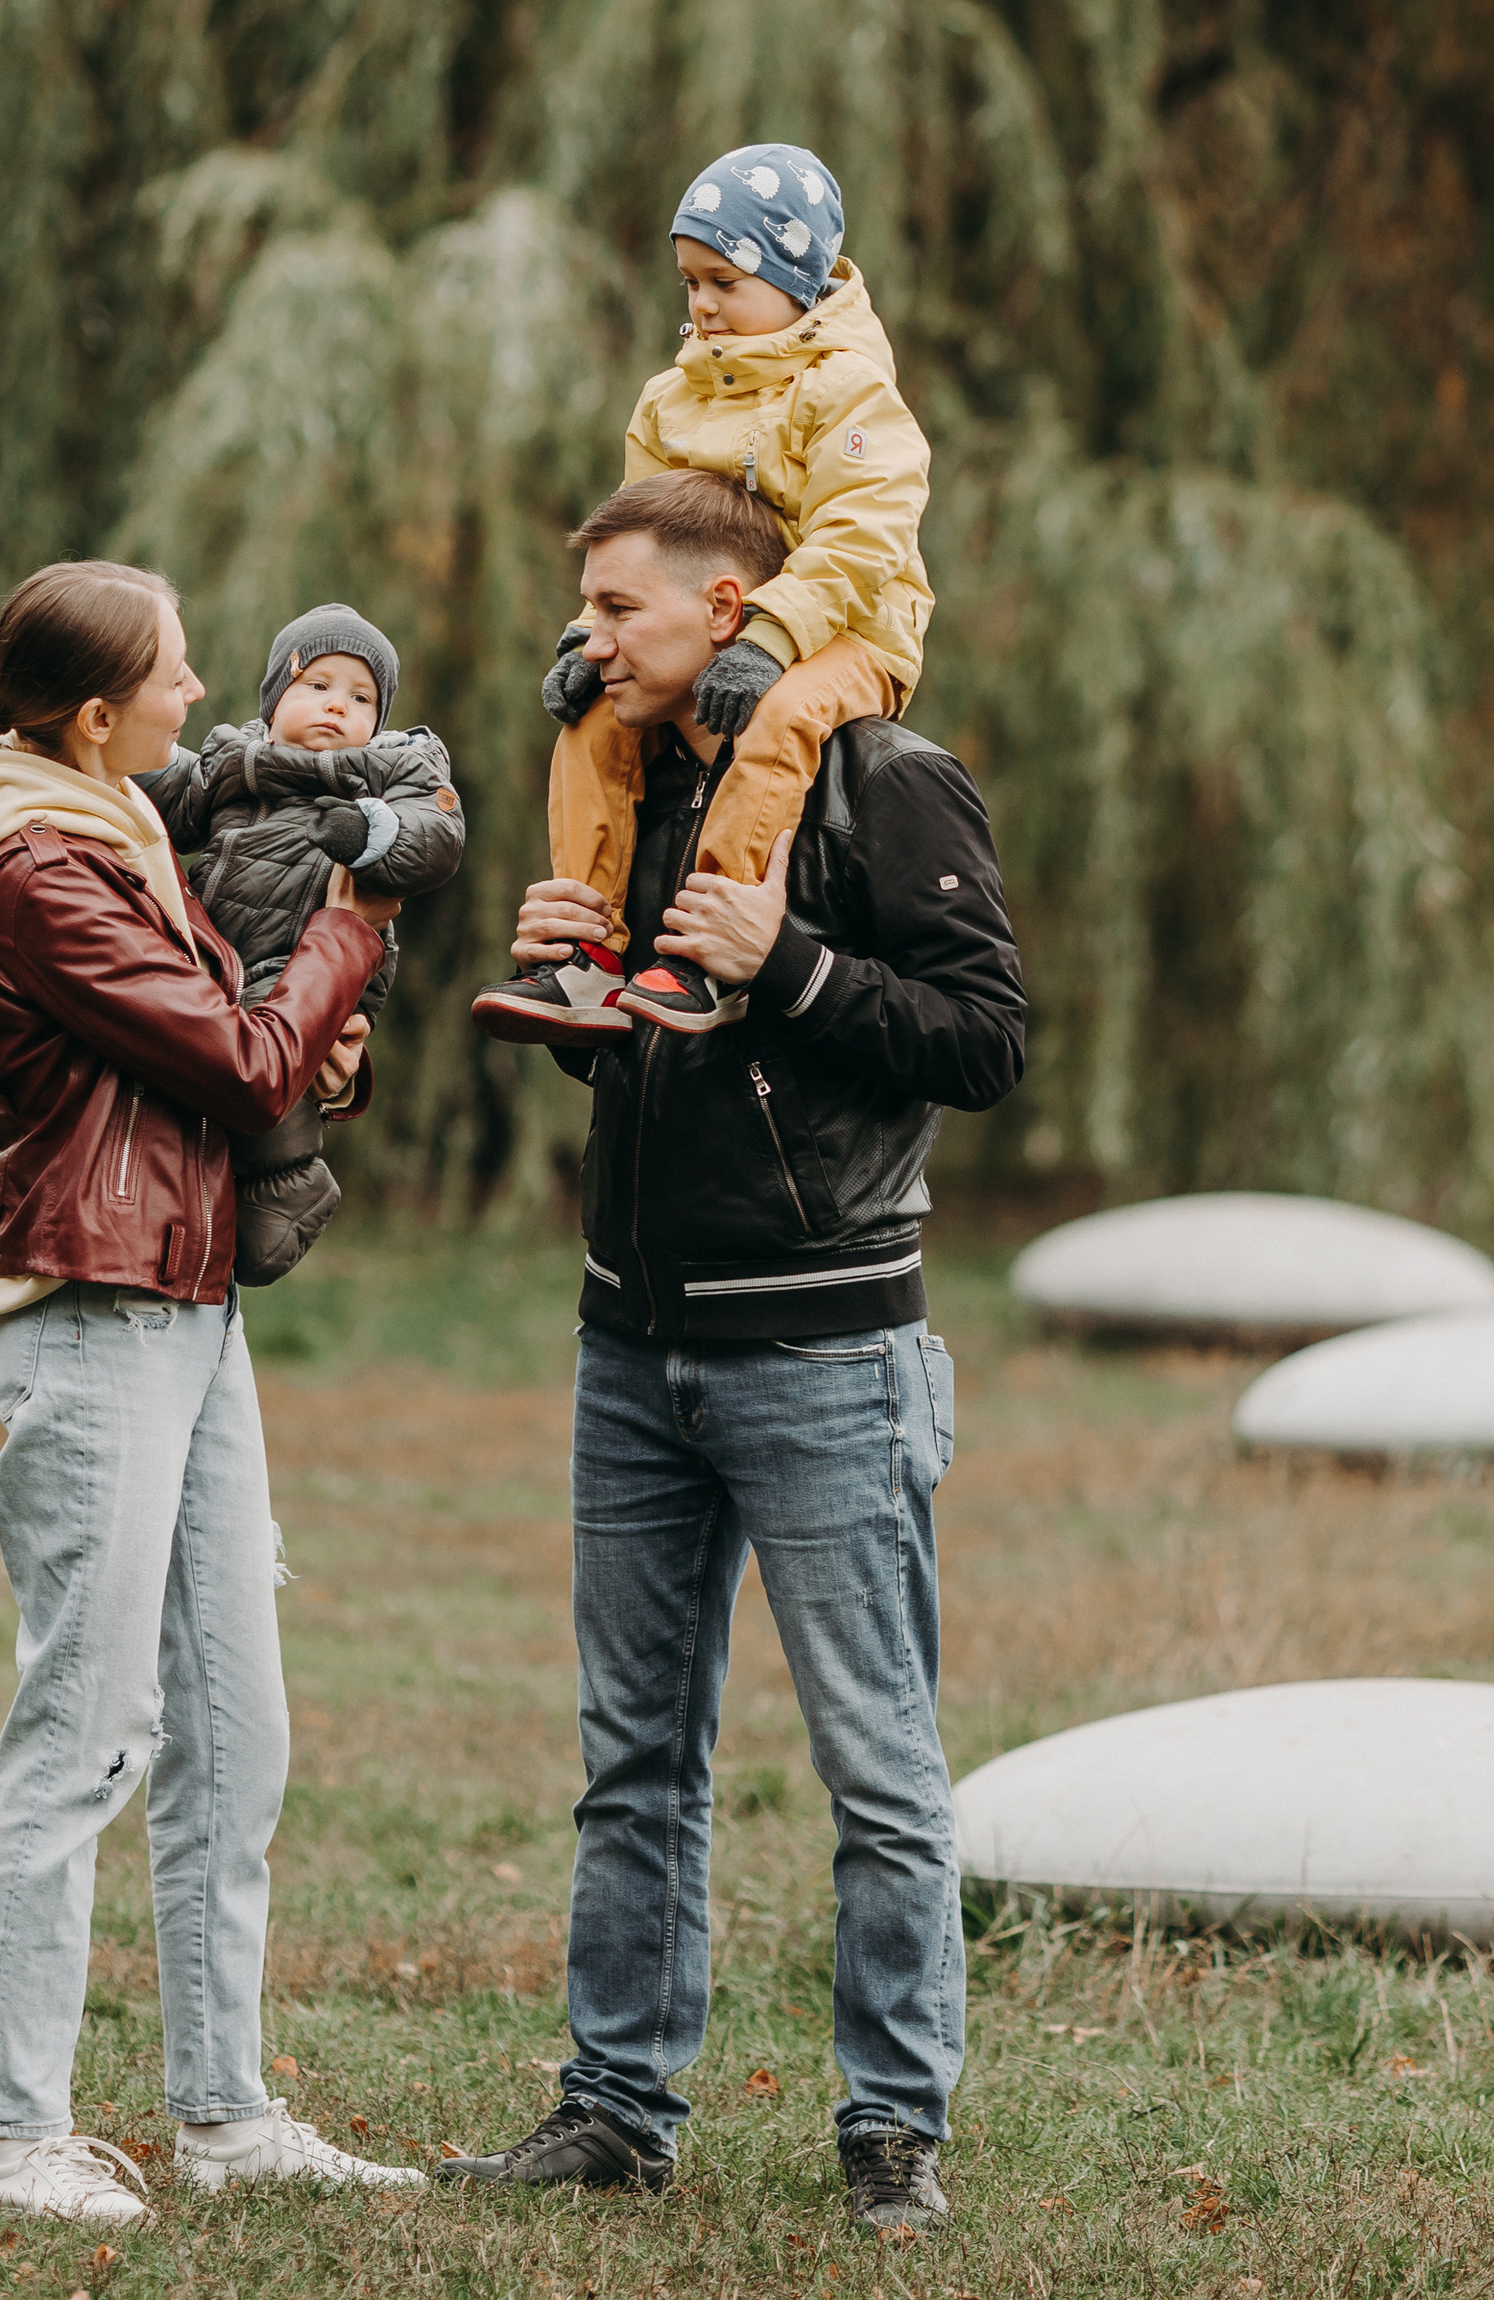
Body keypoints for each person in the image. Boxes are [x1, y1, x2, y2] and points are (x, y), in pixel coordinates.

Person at [438, 474, 1026, 2237]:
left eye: (619, 608)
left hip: (826, 1356)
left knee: (879, 1765)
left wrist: (790, 966)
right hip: (633, 1345)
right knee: (633, 1756)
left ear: (728, 600)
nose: (589, 639)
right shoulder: (637, 781)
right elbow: (662, 1058)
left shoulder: (885, 778)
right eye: (589, 609)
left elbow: (984, 1040)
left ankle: (893, 2135)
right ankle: (616, 2109)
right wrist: (577, 987)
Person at [0, 558, 428, 2230]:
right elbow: (238, 1056)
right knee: (87, 1727)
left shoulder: (113, 827)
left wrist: (320, 1018)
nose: (208, 696)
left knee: (233, 1728)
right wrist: (359, 920)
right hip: (98, 1312)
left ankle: (225, 2112)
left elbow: (250, 1045)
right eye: (179, 674)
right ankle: (22, 2133)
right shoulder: (38, 866)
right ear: (93, 710)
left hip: (192, 1305)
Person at [470, 142, 933, 1040]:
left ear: (797, 278)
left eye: (725, 280)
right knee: (594, 722)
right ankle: (589, 955)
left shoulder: (848, 391)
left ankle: (703, 948)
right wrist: (590, 638)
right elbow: (636, 545)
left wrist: (769, 639)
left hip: (846, 632)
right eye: (689, 283)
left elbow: (861, 536)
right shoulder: (670, 400)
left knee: (781, 718)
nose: (703, 305)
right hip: (715, 627)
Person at [140, 601, 465, 1280]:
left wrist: (370, 834)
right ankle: (240, 1196)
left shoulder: (391, 767)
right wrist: (133, 769)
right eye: (316, 686)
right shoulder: (236, 760)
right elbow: (173, 806)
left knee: (275, 1070)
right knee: (225, 1067)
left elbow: (437, 836)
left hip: (309, 951)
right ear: (275, 695)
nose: (336, 707)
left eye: (360, 697)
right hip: (225, 955)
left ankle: (290, 1186)